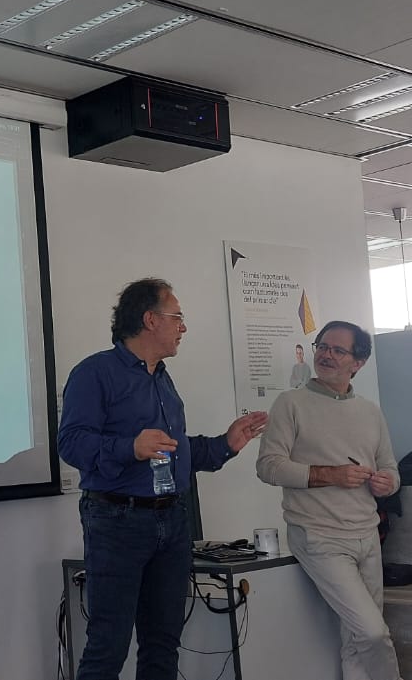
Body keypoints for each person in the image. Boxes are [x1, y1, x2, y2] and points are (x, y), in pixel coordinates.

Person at [58, 278, 268, 680]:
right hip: (118, 522)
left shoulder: (162, 379)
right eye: (177, 317)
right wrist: (129, 447)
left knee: (163, 643)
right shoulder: (94, 373)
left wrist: (225, 444)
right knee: (108, 646)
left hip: (172, 520)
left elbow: (174, 449)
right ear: (150, 319)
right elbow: (71, 443)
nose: (183, 327)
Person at [257, 320, 402, 680]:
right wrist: (329, 475)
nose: (326, 355)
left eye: (338, 350)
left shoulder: (370, 411)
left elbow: (389, 468)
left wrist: (387, 483)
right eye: (322, 346)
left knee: (356, 639)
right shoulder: (290, 403)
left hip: (367, 534)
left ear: (358, 363)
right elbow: (268, 467)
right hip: (318, 536)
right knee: (373, 632)